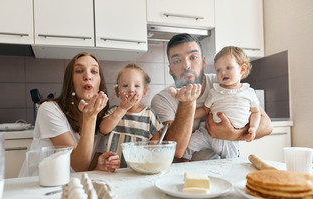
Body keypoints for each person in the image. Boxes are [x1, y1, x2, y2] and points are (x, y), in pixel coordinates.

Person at [151, 33, 273, 161]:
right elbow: (176, 151)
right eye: (177, 61)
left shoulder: (224, 83)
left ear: (203, 62)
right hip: (183, 172)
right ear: (170, 70)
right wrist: (186, 103)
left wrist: (233, 134)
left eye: (193, 57)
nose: (186, 65)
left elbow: (267, 125)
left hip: (220, 167)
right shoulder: (162, 100)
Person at [19, 52, 120, 177]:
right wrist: (90, 118)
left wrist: (100, 166)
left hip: (70, 186)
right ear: (70, 80)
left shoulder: (103, 119)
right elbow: (78, 166)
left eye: (94, 71)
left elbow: (86, 168)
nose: (88, 76)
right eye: (79, 70)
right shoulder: (49, 109)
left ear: (100, 82)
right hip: (37, 187)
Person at [183, 46, 261, 160]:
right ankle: (184, 165)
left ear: (242, 69)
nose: (222, 72)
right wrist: (188, 116)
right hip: (206, 134)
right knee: (187, 146)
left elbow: (256, 112)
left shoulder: (249, 92)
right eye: (218, 70)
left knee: (231, 163)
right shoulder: (214, 91)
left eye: (228, 67)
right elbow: (205, 110)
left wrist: (253, 128)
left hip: (230, 140)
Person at [99, 63, 164, 167]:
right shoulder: (114, 112)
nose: (131, 90)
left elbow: (156, 138)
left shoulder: (149, 114)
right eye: (125, 85)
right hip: (114, 169)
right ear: (117, 92)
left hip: (140, 167)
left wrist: (151, 153)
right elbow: (104, 129)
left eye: (137, 86)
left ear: (144, 92)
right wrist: (123, 108)